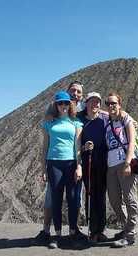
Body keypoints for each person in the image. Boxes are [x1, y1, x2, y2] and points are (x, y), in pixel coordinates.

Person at [35, 81, 85, 244]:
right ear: (56, 105)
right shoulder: (48, 123)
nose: (63, 105)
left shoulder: (76, 123)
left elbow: (77, 147)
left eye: (65, 103)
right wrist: (43, 169)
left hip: (70, 163)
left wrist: (79, 166)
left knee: (72, 198)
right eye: (60, 103)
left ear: (70, 104)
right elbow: (45, 147)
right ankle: (56, 235)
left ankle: (71, 232)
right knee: (56, 198)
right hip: (54, 163)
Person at [104, 92, 138, 248]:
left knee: (130, 199)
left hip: (125, 163)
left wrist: (128, 163)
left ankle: (130, 235)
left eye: (114, 103)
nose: (111, 106)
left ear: (119, 105)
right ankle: (126, 228)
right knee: (114, 200)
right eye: (108, 103)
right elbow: (93, 110)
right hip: (111, 166)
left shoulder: (126, 119)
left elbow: (131, 141)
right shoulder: (107, 120)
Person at [77, 92, 108, 243]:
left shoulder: (104, 118)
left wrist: (131, 121)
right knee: (90, 195)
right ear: (86, 103)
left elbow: (119, 116)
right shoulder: (80, 119)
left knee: (101, 196)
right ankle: (92, 230)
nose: (95, 104)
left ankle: (100, 230)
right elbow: (75, 143)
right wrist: (84, 147)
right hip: (87, 162)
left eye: (97, 102)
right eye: (92, 102)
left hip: (103, 163)